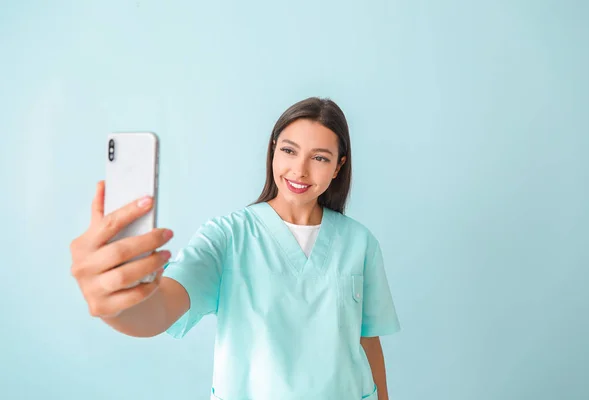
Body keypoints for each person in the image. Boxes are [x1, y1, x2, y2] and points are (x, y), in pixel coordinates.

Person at [70, 97, 401, 400]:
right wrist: (114, 303)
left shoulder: (359, 242)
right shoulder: (227, 237)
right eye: (289, 151)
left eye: (319, 158)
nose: (300, 170)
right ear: (273, 150)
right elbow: (159, 310)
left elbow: (367, 341)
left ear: (338, 166)